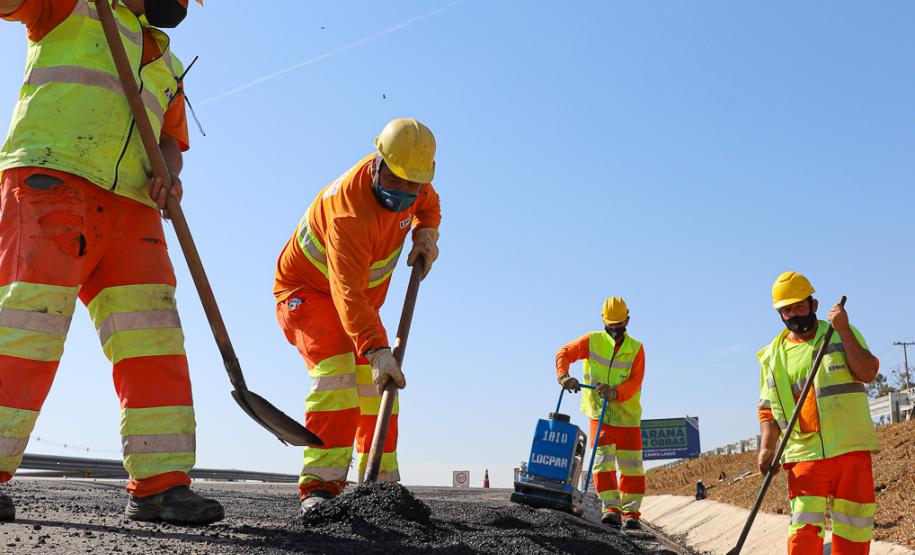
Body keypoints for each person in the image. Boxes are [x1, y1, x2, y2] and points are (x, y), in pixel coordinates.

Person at [0, 0, 223, 524]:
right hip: (53, 181)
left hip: (132, 207)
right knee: (26, 329)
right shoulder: (70, 7)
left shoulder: (166, 62)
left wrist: (169, 173)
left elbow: (171, 143)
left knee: (154, 339)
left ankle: (161, 484)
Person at [274, 118, 441, 512]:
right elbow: (346, 293)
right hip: (308, 295)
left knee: (381, 386)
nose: (403, 192)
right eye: (395, 181)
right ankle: (319, 490)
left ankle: (380, 488)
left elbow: (429, 205)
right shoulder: (349, 211)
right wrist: (376, 350)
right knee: (338, 374)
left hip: (359, 306)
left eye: (411, 187)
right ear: (378, 163)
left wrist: (426, 234)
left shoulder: (415, 183)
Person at [757, 272, 879, 554]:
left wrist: (845, 329)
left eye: (799, 306)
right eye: (786, 310)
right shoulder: (772, 357)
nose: (793, 315)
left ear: (813, 305)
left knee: (854, 531)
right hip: (805, 455)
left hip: (851, 448)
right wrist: (767, 448)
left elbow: (868, 372)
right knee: (803, 533)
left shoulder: (840, 334)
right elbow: (767, 409)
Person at [554, 297, 646, 530]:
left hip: (627, 417)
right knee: (603, 465)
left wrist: (615, 393)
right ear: (603, 320)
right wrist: (564, 376)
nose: (615, 329)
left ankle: (631, 513)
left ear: (627, 319)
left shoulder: (636, 348)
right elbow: (563, 353)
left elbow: (635, 382)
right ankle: (611, 510)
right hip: (599, 415)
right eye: (611, 324)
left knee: (632, 468)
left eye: (619, 324)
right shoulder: (592, 341)